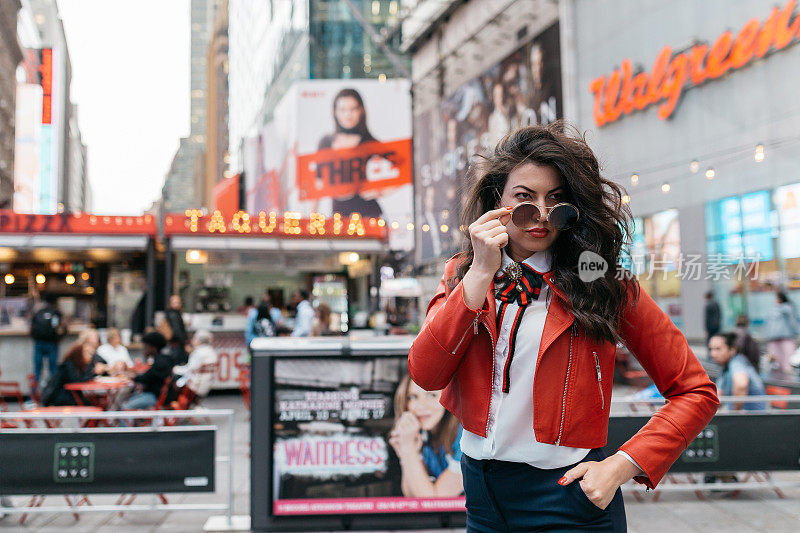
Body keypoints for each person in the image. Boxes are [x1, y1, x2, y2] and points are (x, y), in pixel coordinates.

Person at [407, 123, 719, 531]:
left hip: (567, 499)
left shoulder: (602, 283)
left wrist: (621, 466)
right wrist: (480, 273)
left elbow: (695, 391)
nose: (541, 216)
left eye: (556, 200)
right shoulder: (462, 274)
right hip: (481, 495)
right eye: (524, 199)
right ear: (495, 201)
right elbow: (426, 372)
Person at [390, 374, 464, 498]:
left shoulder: (466, 435)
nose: (421, 406)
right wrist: (406, 453)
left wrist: (408, 449)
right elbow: (411, 494)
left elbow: (432, 501)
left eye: (431, 395)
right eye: (413, 397)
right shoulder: (425, 436)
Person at [317, 88, 381, 218]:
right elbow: (317, 181)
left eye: (353, 109)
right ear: (335, 112)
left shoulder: (369, 143)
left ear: (360, 111)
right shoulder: (326, 143)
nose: (348, 115)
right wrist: (312, 216)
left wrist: (382, 191)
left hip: (368, 215)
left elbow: (402, 164)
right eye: (343, 110)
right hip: (339, 216)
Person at [708, 332, 766, 411]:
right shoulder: (725, 368)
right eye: (711, 349)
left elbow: (741, 384)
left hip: (752, 419)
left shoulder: (737, 363)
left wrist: (736, 412)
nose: (713, 354)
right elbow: (718, 395)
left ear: (732, 350)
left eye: (718, 349)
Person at [41, 337, 104, 407]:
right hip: (58, 399)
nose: (91, 357)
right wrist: (94, 372)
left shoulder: (78, 366)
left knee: (95, 401)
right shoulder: (69, 365)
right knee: (92, 403)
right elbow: (77, 382)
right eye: (87, 353)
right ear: (79, 354)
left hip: (69, 397)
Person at [120, 331, 174, 410]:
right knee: (127, 399)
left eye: (146, 346)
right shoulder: (164, 359)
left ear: (153, 347)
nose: (144, 349)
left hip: (155, 397)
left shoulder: (160, 363)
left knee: (125, 407)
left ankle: (128, 422)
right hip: (158, 395)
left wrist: (131, 376)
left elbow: (146, 378)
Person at [30, 293, 66, 386]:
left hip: (39, 343)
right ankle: (53, 395)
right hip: (52, 343)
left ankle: (32, 397)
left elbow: (31, 328)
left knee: (37, 370)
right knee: (53, 370)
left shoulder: (38, 312)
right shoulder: (56, 313)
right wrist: (60, 338)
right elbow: (61, 328)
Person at [173, 330, 217, 399]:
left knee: (173, 383)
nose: (192, 340)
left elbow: (189, 369)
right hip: (205, 385)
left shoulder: (198, 352)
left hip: (195, 386)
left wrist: (175, 369)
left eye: (194, 338)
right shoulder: (211, 351)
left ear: (199, 341)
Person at [764, 290, 799, 373]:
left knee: (784, 362)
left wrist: (797, 332)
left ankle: (786, 382)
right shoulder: (782, 309)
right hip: (779, 338)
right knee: (781, 362)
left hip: (782, 338)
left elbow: (793, 322)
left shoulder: (785, 309)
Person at [162, 295, 190, 365]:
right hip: (177, 344)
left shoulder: (174, 313)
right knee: (178, 364)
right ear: (170, 304)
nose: (177, 305)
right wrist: (185, 344)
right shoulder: (173, 314)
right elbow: (177, 331)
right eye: (174, 303)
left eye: (178, 302)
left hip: (174, 344)